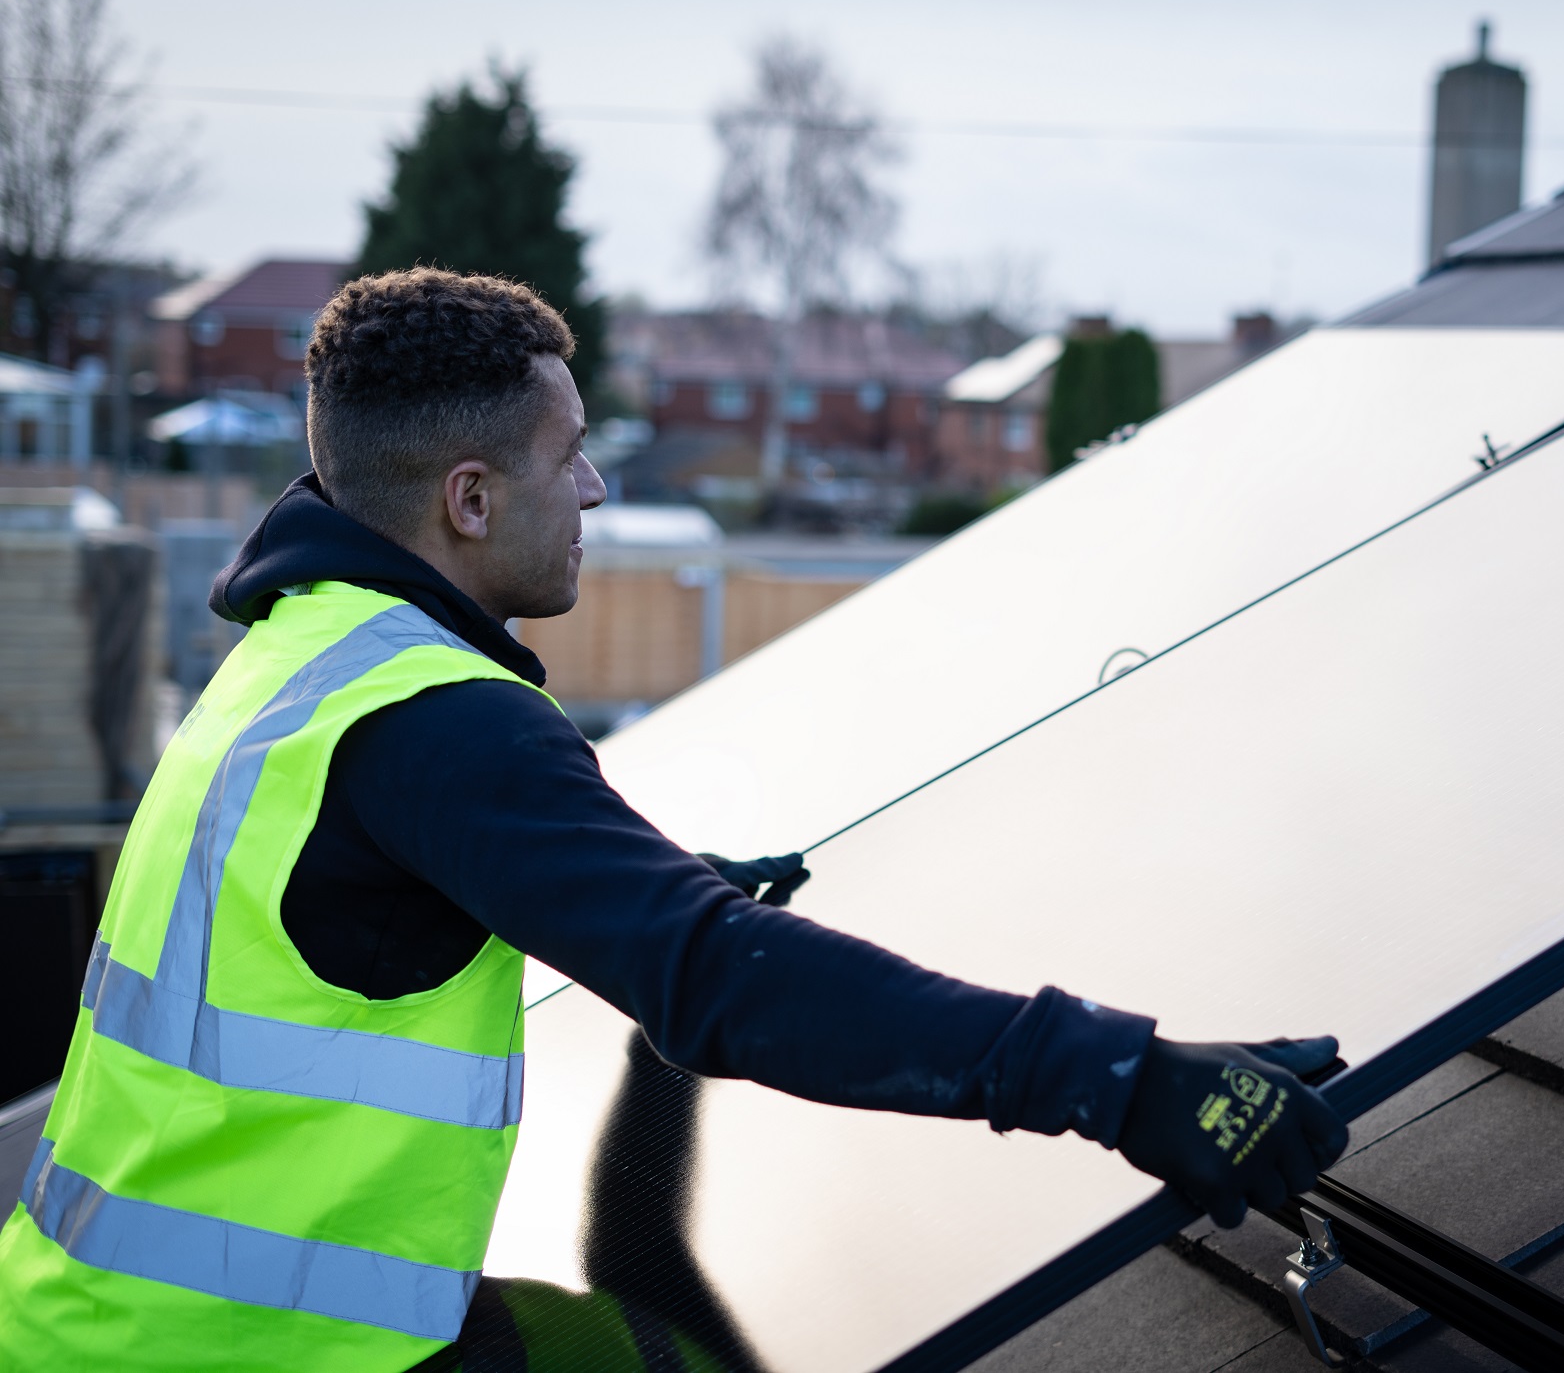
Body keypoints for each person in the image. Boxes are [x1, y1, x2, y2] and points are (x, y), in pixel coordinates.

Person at [0, 269, 1349, 1372]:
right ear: (469, 500)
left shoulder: (297, 658)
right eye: (569, 455)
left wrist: (620, 887)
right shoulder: (441, 721)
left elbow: (351, 900)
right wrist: (1121, 1078)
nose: (591, 489)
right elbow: (711, 979)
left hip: (102, 1328)